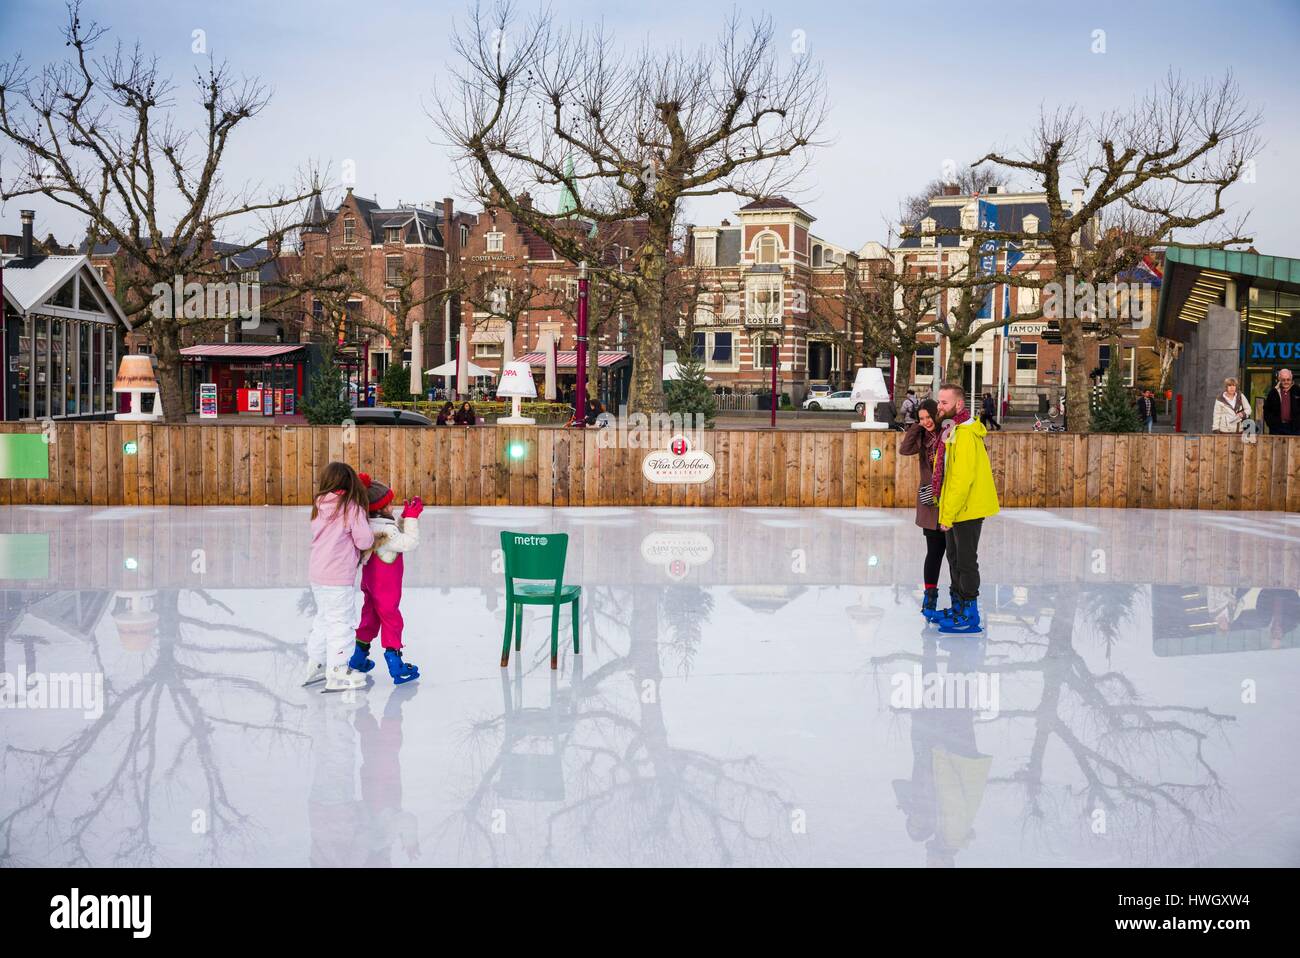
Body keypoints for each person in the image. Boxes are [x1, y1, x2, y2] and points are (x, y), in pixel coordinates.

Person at [931, 383, 1000, 635]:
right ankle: (958, 607)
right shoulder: (952, 430)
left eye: (944, 402)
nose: (939, 406)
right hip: (955, 507)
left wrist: (947, 514)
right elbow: (946, 472)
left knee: (966, 561)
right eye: (939, 402)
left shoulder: (966, 434)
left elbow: (961, 479)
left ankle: (970, 615)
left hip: (967, 508)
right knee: (954, 558)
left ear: (959, 404)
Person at [305, 462, 375, 692]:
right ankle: (337, 670)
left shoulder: (319, 504)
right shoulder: (350, 507)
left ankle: (316, 662)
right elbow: (364, 540)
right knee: (341, 622)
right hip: (338, 577)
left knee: (324, 618)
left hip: (317, 574)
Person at [347, 474, 422, 685]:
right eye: (389, 504)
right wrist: (413, 518)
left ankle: (359, 657)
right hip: (387, 586)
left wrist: (404, 518)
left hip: (370, 583)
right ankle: (395, 663)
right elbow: (407, 542)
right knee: (391, 619)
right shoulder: (387, 530)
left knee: (369, 616)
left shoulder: (369, 525)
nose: (393, 506)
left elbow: (394, 533)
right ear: (380, 508)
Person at [899, 398, 946, 618]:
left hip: (949, 500)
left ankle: (959, 598)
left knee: (954, 555)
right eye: (922, 418)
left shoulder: (949, 433)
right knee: (934, 552)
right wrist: (917, 426)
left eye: (929, 417)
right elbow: (904, 449)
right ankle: (930, 596)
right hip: (930, 503)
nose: (926, 421)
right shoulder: (921, 436)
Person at [1263, 368, 1298, 436]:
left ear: (1291, 379)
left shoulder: (1298, 391)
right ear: (1279, 380)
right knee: (1277, 447)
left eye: (1288, 379)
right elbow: (1266, 410)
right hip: (1277, 428)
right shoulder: (1273, 392)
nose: (1286, 382)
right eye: (1283, 380)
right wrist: (1271, 424)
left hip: (1295, 429)